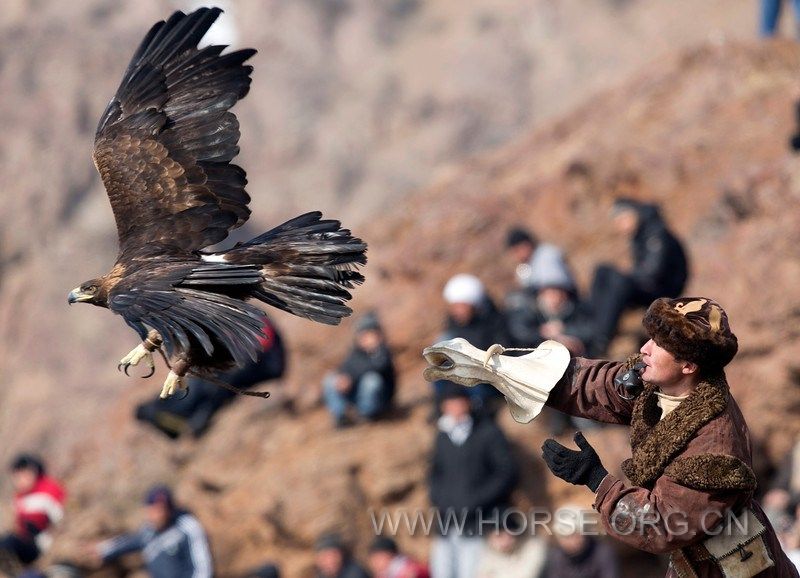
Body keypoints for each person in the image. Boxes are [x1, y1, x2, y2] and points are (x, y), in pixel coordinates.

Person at [536, 297, 798, 576]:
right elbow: (603, 385)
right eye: (650, 338)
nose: (645, 348)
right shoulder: (662, 384)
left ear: (688, 366)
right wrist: (530, 375)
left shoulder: (715, 443)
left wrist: (596, 479)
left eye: (659, 345)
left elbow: (664, 524)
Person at [136, 317, 286, 438]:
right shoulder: (230, 320)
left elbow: (259, 348)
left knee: (217, 379)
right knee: (202, 377)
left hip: (266, 364)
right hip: (256, 362)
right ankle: (168, 411)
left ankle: (190, 417)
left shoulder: (247, 318)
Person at [429, 383, 519, 578]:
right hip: (447, 522)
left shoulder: (488, 433)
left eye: (458, 402)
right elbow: (435, 474)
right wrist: (439, 499)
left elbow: (507, 473)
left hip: (478, 522)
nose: (454, 407)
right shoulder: (442, 436)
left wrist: (476, 500)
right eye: (450, 403)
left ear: (468, 403)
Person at [588, 198, 688, 356]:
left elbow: (652, 272)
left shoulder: (656, 233)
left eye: (621, 220)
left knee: (619, 281)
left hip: (663, 289)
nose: (619, 226)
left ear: (632, 215)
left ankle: (601, 339)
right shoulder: (640, 234)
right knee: (603, 271)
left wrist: (628, 277)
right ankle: (591, 322)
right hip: (650, 285)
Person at [92, 485, 213, 578]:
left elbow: (203, 567)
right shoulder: (147, 531)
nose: (156, 515)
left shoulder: (187, 526)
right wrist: (102, 549)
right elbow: (127, 542)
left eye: (160, 510)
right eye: (152, 510)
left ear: (170, 509)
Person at [434, 274, 511, 413]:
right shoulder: (453, 324)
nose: (457, 311)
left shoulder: (493, 322)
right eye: (454, 306)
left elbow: (501, 354)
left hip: (487, 379)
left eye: (461, 306)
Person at [323, 312, 396, 428]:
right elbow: (345, 368)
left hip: (381, 399)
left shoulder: (382, 352)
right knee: (331, 379)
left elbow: (379, 367)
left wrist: (352, 377)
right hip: (356, 394)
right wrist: (343, 378)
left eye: (370, 334)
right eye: (363, 335)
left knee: (371, 380)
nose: (367, 338)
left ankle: (367, 415)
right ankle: (341, 416)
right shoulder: (355, 353)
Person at [0, 455, 66, 573]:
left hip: (47, 545)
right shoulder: (19, 498)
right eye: (18, 477)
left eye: (25, 475)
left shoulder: (49, 490)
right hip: (27, 545)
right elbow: (18, 527)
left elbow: (62, 521)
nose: (21, 480)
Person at [541, 505, 619, 578]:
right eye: (565, 537)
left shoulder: (602, 554)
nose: (571, 542)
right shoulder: (556, 558)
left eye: (574, 535)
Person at [505, 228, 576, 295]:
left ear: (527, 245)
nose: (517, 255)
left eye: (518, 250)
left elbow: (555, 287)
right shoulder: (524, 267)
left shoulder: (547, 254)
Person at [475, 516, 547, 578]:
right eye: (499, 536)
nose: (505, 541)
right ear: (489, 537)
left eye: (510, 535)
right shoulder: (484, 554)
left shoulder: (532, 546)